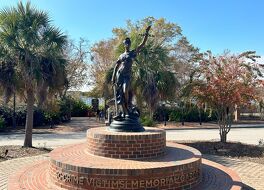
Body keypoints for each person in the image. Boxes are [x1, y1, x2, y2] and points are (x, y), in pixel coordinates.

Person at [111, 25, 151, 118]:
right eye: (126, 43)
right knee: (120, 94)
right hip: (119, 75)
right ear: (124, 44)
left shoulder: (133, 53)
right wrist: (113, 77)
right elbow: (116, 66)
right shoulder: (121, 55)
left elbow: (142, 44)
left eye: (129, 43)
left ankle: (128, 108)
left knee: (125, 91)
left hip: (127, 76)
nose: (128, 44)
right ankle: (123, 112)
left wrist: (146, 33)